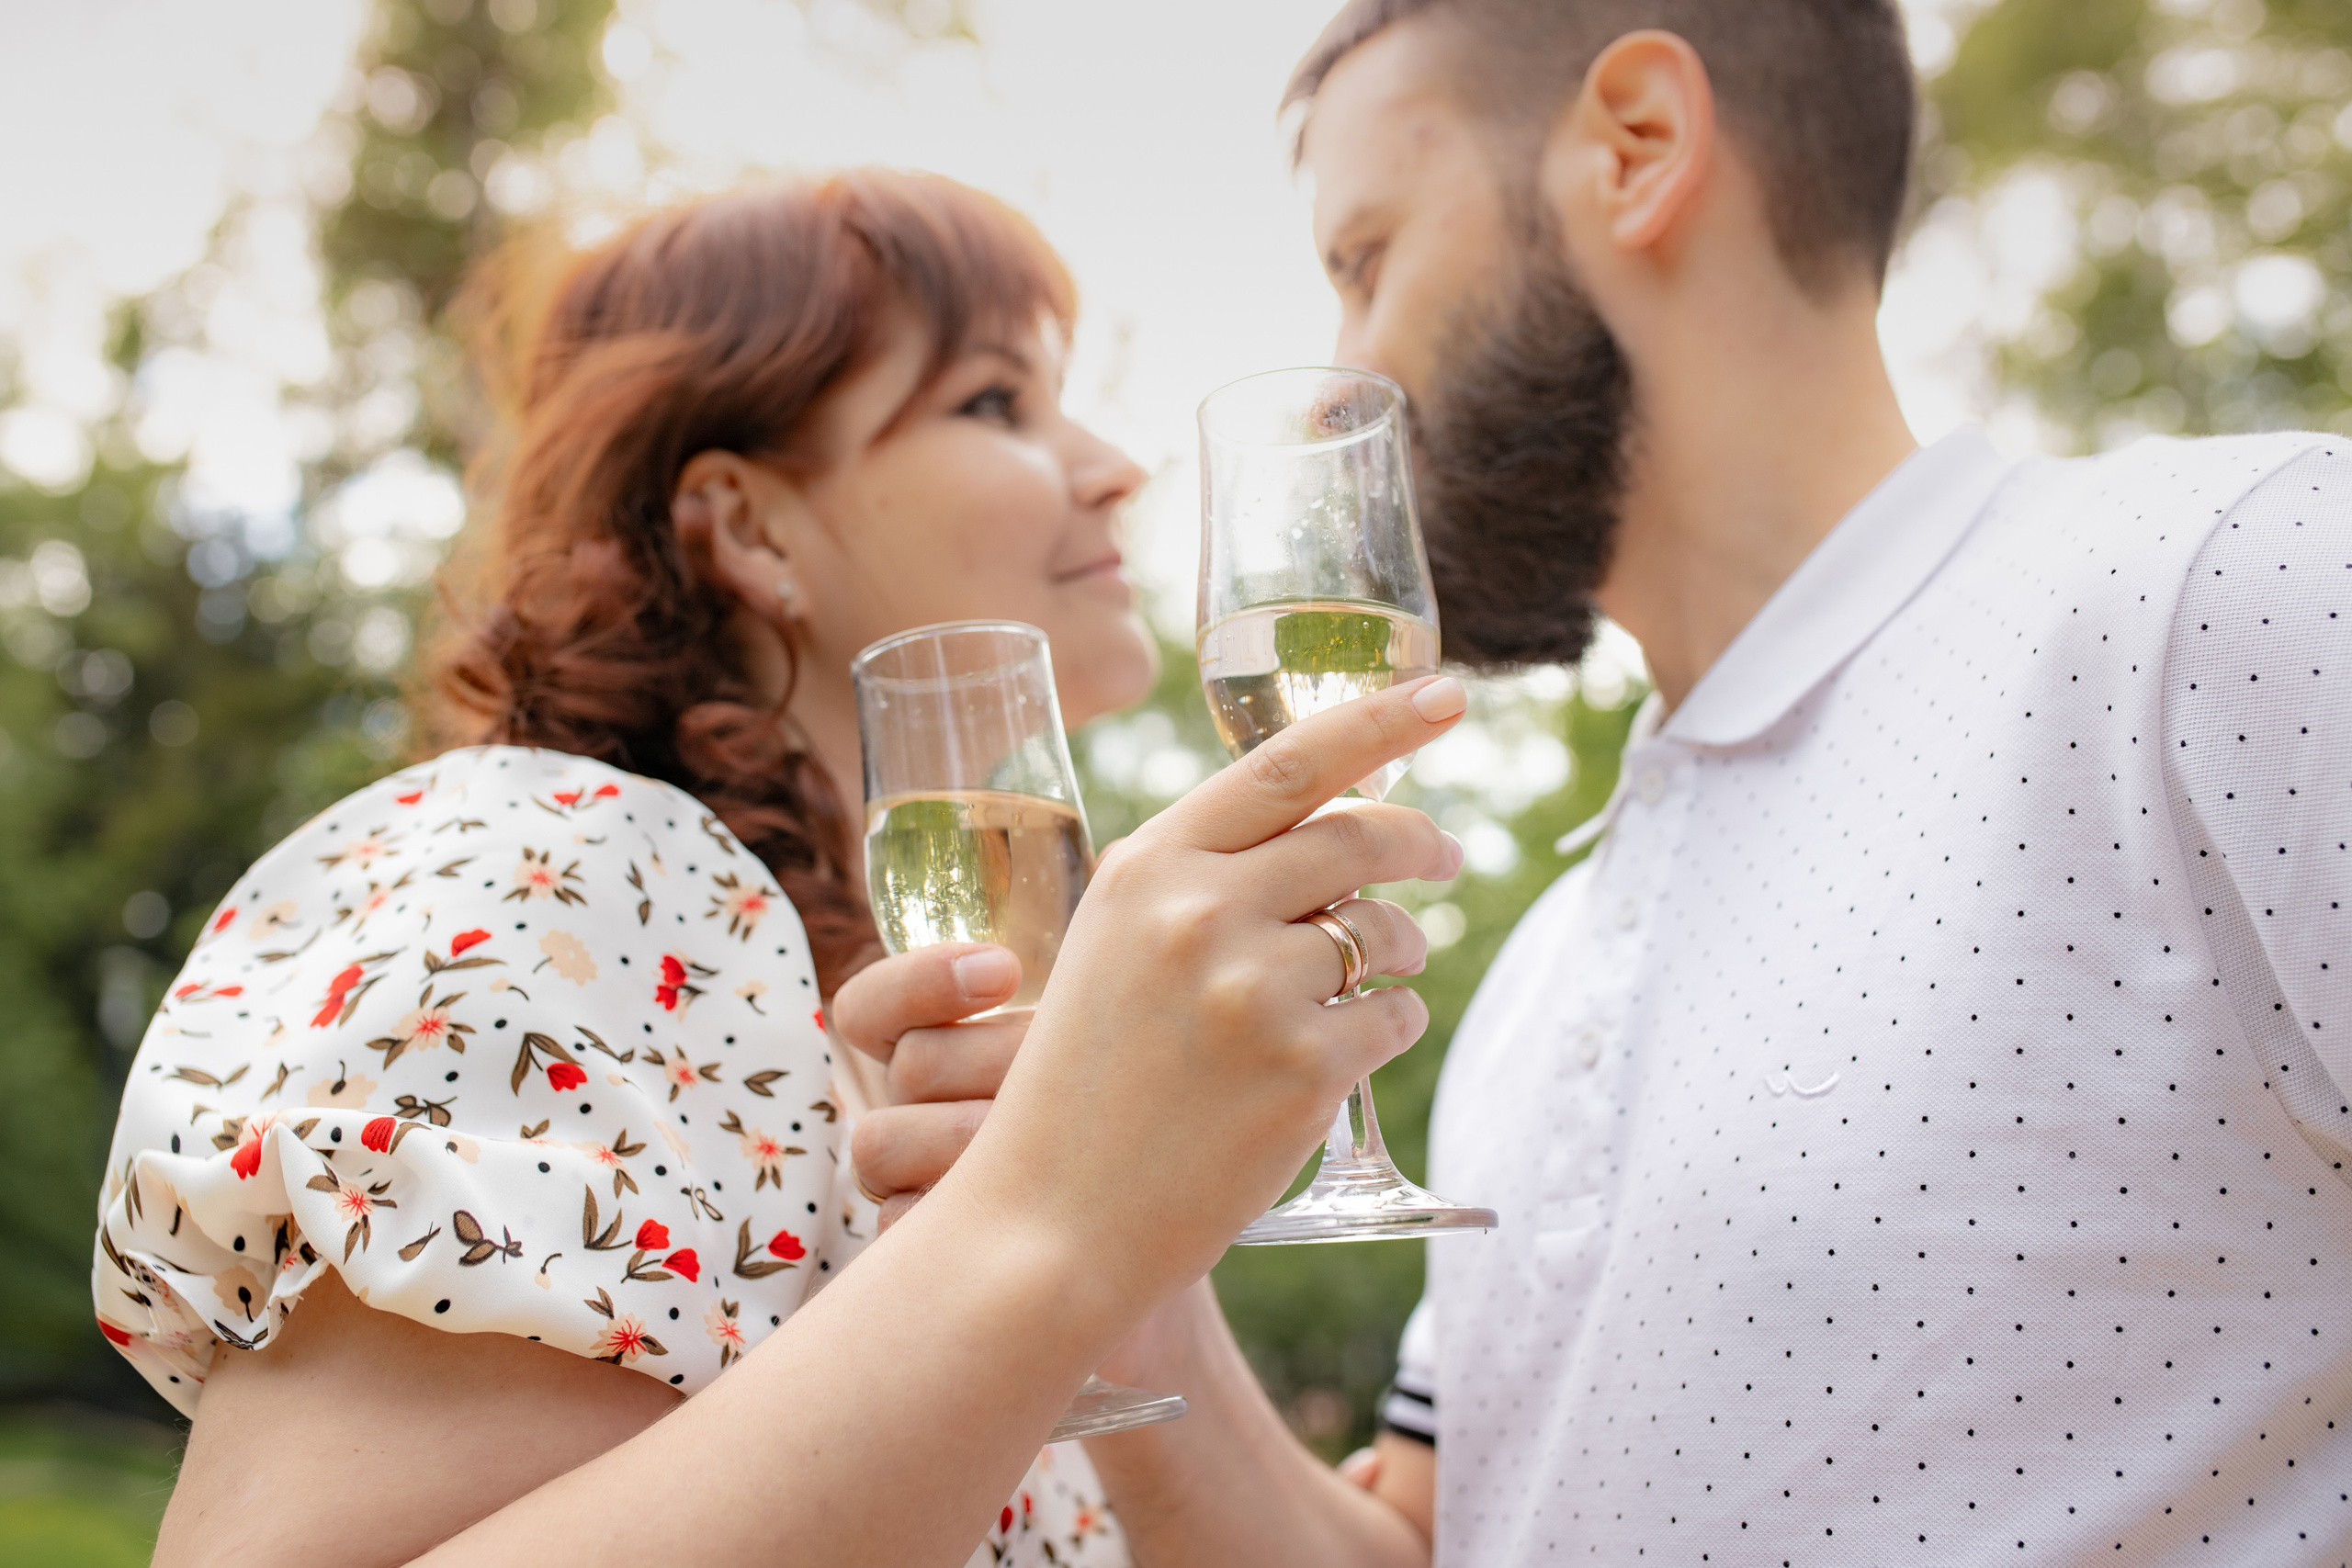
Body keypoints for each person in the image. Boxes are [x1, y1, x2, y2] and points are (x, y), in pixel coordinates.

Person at [853, 1, 2352, 1562]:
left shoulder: (2239, 595)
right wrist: (1123, 1287)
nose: (1342, 378)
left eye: (1367, 260)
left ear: (1637, 146)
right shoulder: (1543, 971)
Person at [90, 168, 1470, 1568]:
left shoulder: (917, 1022)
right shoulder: (569, 874)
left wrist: (1123, 1248)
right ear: (749, 527)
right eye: (995, 401)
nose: (1117, 467)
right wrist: (1056, 1220)